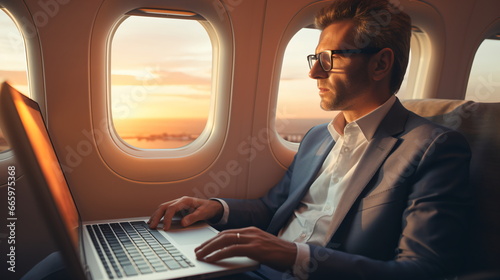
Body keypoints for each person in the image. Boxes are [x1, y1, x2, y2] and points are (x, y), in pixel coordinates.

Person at [148, 0, 473, 279]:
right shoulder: (318, 137)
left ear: (380, 64)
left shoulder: (433, 147)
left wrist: (294, 255)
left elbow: (423, 270)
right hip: (253, 270)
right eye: (315, 58)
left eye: (330, 58)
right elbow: (272, 207)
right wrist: (215, 209)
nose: (314, 72)